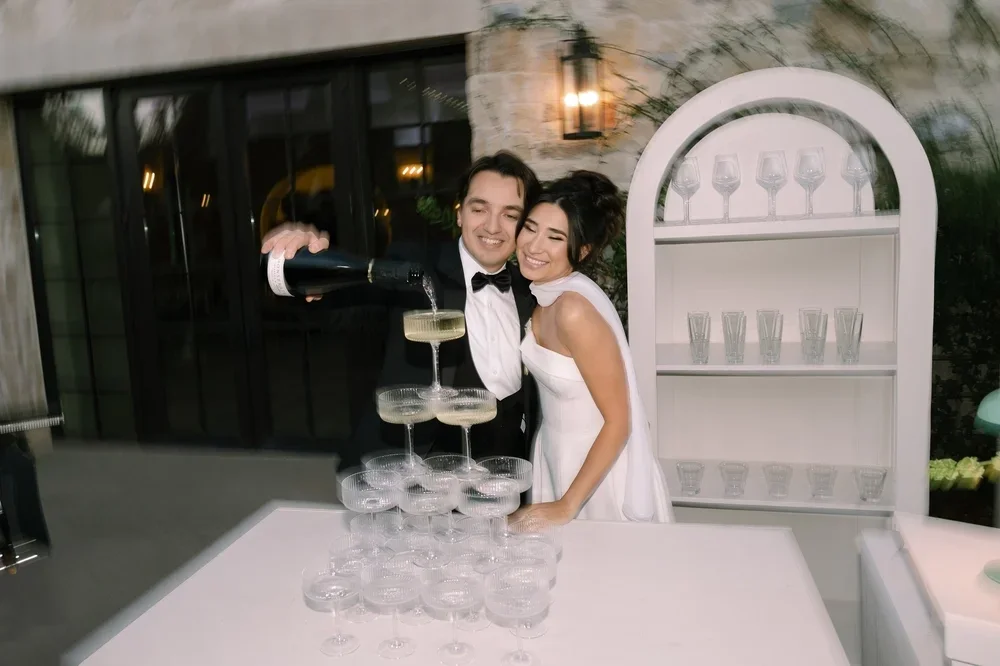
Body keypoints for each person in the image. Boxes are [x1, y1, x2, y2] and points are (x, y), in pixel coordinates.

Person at [261, 152, 542, 470]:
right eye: (480, 209)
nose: (493, 226)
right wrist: (301, 269)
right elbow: (343, 311)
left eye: (510, 214)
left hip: (508, 472)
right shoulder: (413, 271)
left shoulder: (530, 288)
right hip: (419, 470)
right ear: (460, 213)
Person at [509, 170, 675, 525]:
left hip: (598, 474)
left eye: (555, 237)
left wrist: (568, 505)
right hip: (555, 455)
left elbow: (620, 420)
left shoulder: (574, 310)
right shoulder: (542, 297)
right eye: (531, 227)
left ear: (581, 251)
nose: (534, 246)